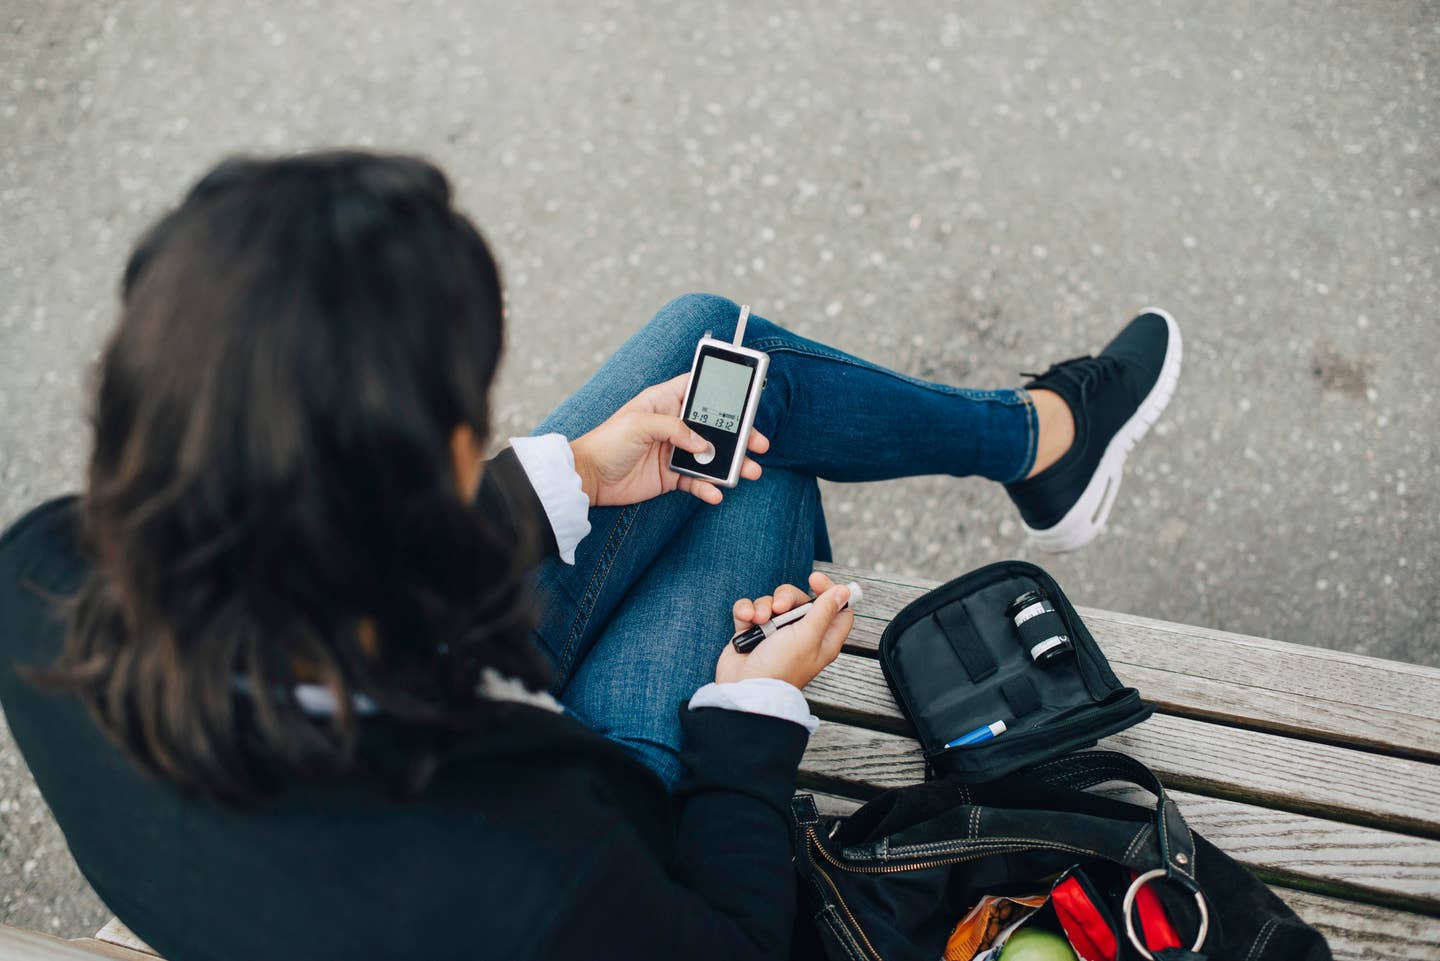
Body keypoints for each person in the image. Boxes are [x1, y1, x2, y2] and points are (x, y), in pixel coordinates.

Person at [0, 152, 1180, 960]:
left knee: (710, 355)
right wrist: (752, 712)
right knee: (755, 469)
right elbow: (728, 940)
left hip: (369, 759)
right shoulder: (530, 872)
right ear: (438, 454)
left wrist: (554, 480)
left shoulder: (42, 571)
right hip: (569, 834)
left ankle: (1032, 439)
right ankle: (1043, 436)